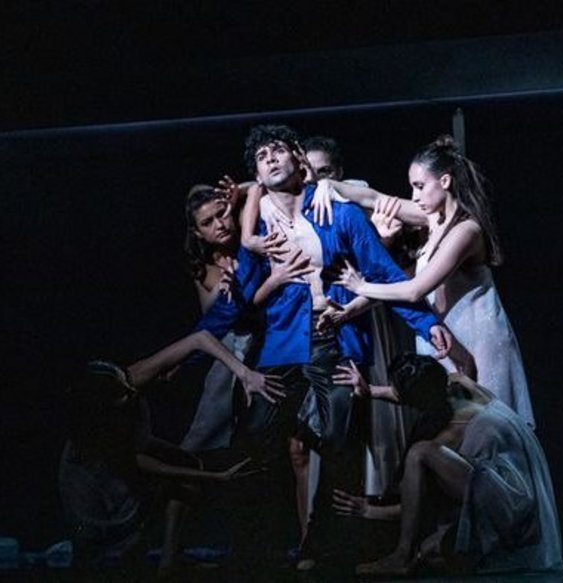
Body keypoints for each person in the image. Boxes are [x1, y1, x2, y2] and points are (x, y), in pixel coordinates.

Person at [197, 124, 452, 569]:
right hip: (281, 346)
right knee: (255, 438)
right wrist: (195, 340)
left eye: (277, 151)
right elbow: (241, 298)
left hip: (332, 338)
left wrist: (427, 322)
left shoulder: (339, 212)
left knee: (339, 439)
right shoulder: (258, 226)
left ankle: (325, 547)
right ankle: (250, 549)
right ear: (257, 174)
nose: (270, 158)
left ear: (298, 160)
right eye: (261, 156)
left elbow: (383, 272)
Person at [318, 136, 536, 427]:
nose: (414, 195)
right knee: (447, 425)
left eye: (420, 186)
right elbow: (374, 199)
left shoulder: (467, 230)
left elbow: (415, 290)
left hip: (477, 337)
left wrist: (360, 286)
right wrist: (326, 185)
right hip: (442, 334)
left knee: (484, 428)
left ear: (445, 181)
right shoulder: (429, 218)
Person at [59, 330, 282, 575]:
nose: (131, 395)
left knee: (187, 463)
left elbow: (200, 338)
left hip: (129, 456)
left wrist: (244, 373)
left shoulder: (133, 377)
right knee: (104, 554)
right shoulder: (98, 426)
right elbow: (144, 463)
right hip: (97, 477)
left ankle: (168, 561)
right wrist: (218, 477)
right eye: (123, 397)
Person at [331, 354, 563, 576]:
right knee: (430, 551)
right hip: (513, 488)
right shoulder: (456, 381)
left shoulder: (454, 429)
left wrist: (370, 510)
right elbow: (414, 392)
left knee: (419, 452)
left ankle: (402, 556)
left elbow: (421, 502)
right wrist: (370, 390)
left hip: (510, 504)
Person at [179, 185, 311, 453]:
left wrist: (237, 192)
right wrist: (224, 287)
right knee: (220, 418)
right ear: (198, 233)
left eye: (221, 214)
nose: (219, 225)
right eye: (207, 222)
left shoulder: (250, 234)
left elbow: (261, 186)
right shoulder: (203, 266)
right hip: (237, 340)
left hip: (277, 329)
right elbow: (213, 318)